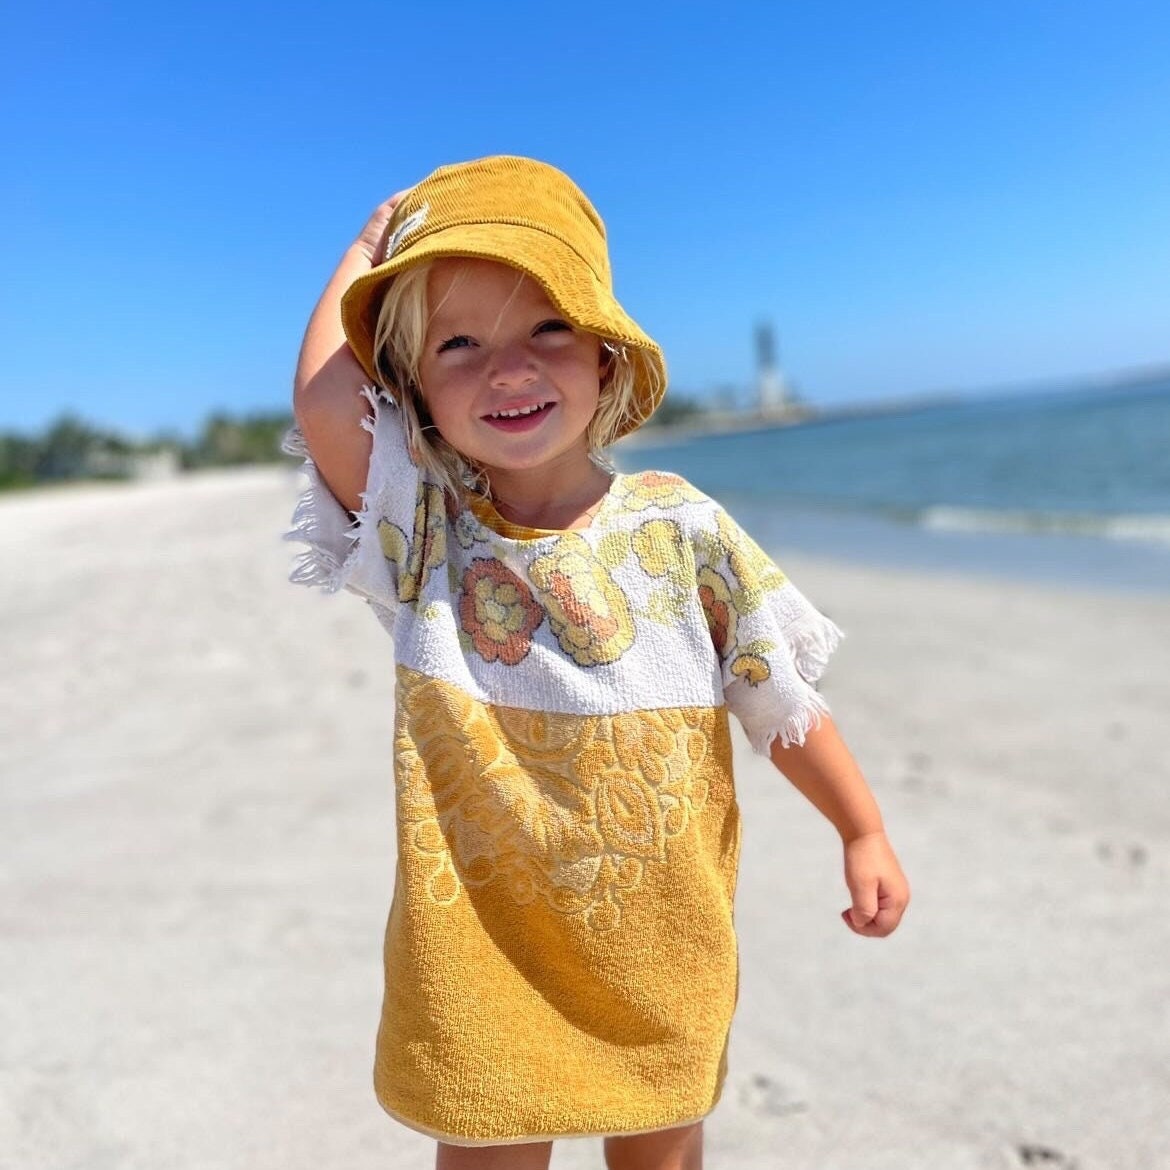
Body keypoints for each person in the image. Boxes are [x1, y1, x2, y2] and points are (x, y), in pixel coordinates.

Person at [285, 155, 909, 1170]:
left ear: (608, 361)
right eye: (459, 344)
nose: (510, 367)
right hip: (484, 941)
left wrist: (862, 826)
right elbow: (324, 409)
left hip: (657, 939)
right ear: (413, 392)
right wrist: (364, 259)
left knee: (660, 1142)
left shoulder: (683, 526)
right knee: (491, 1140)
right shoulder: (428, 533)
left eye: (548, 328)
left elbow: (779, 696)